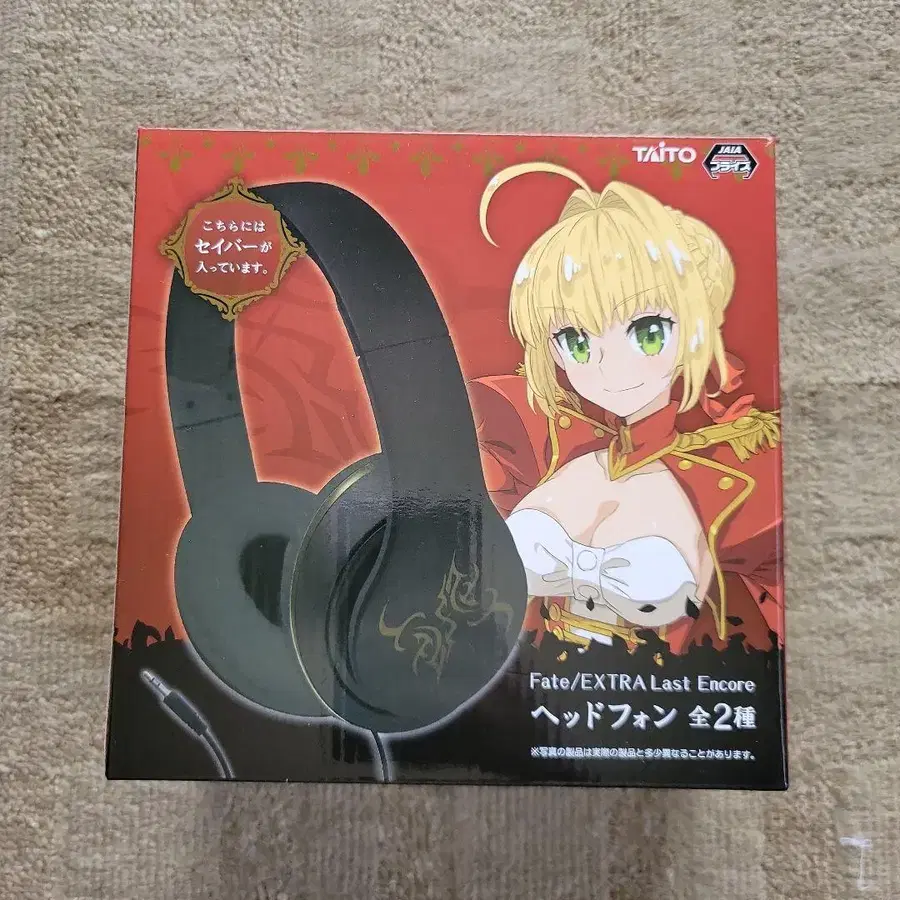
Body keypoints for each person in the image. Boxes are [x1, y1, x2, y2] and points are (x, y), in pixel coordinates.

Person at [468, 163, 783, 655]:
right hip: (535, 681)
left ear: (696, 331)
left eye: (647, 333)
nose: (607, 368)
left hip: (674, 689)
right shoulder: (555, 449)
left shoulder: (733, 473)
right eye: (575, 342)